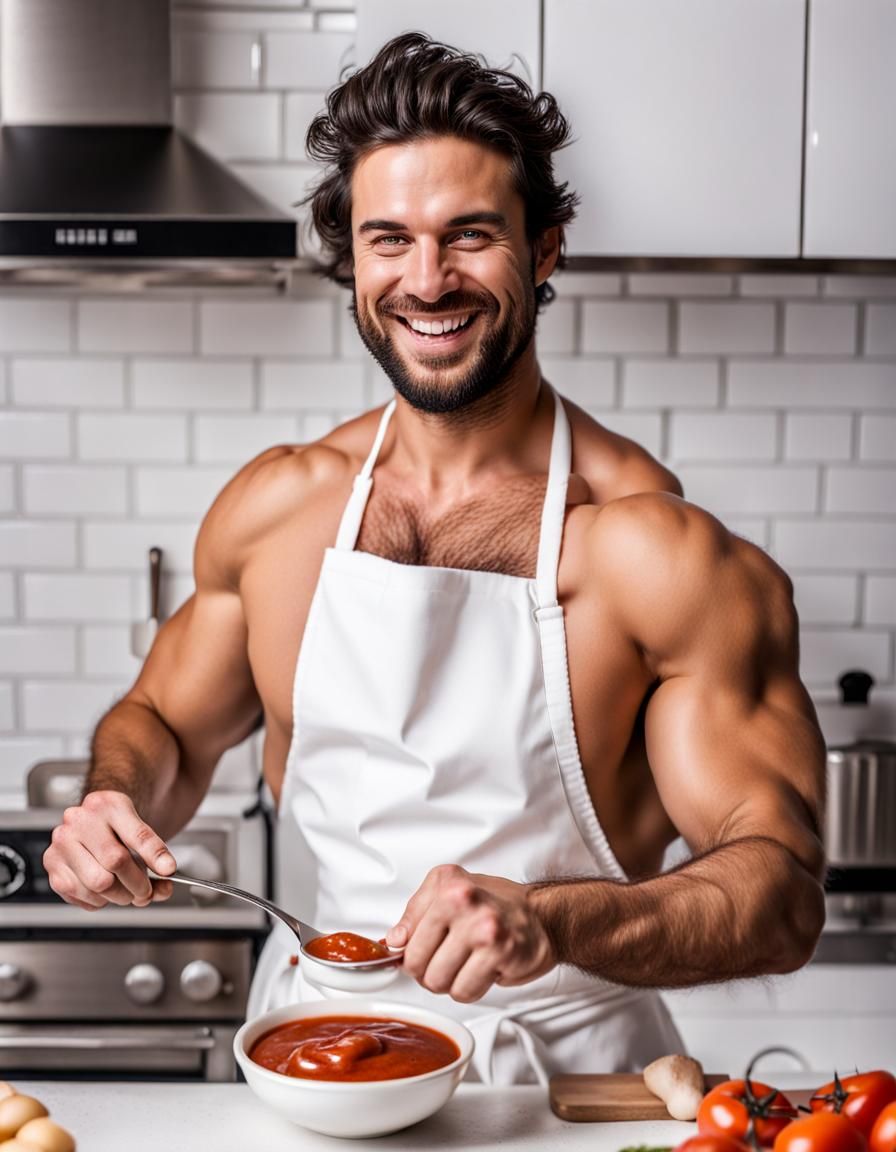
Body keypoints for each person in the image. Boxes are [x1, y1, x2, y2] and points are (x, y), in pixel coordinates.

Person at [43, 33, 826, 1085]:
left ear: (542, 249)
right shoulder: (280, 512)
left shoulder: (649, 549)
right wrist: (112, 801)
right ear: (350, 256)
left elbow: (777, 895)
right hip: (315, 1057)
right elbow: (168, 735)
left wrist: (547, 922)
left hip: (567, 1081)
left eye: (468, 237)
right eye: (388, 240)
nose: (425, 281)